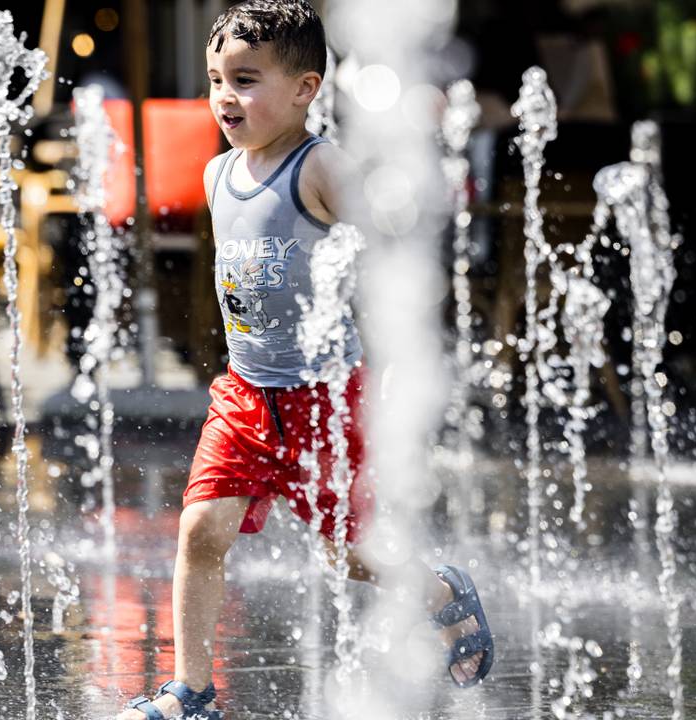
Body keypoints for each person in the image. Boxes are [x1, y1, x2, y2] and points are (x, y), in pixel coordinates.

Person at [119, 2, 494, 718]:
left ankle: (441, 591)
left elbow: (387, 253)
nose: (226, 96)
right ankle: (191, 692)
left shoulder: (319, 165)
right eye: (216, 79)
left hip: (325, 398)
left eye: (247, 80)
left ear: (305, 88)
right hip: (246, 396)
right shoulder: (215, 174)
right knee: (202, 530)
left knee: (346, 555)